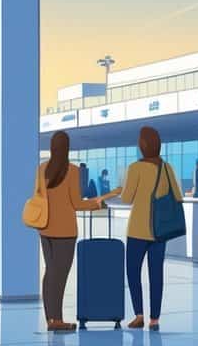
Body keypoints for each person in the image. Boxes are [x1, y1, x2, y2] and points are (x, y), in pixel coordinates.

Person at [103, 126, 181, 330]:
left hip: (138, 229)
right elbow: (178, 196)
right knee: (156, 274)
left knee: (133, 272)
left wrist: (124, 187)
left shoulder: (135, 168)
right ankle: (155, 319)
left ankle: (139, 315)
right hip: (160, 230)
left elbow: (127, 198)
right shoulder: (167, 168)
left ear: (143, 145)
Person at [32, 131, 102, 332]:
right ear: (67, 147)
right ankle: (58, 319)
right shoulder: (72, 171)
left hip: (45, 228)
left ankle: (50, 318)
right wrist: (97, 204)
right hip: (65, 231)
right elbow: (76, 203)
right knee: (59, 276)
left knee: (50, 272)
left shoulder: (42, 169)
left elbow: (37, 196)